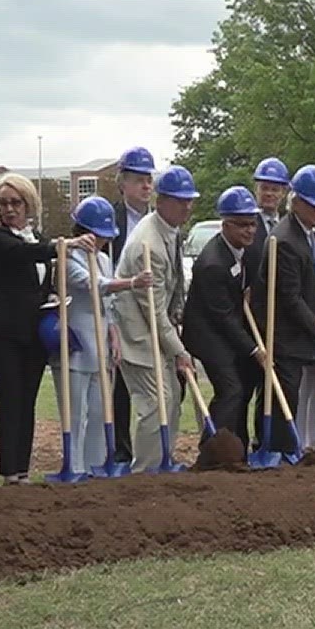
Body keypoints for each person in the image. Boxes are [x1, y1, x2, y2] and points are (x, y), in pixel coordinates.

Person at [0, 173, 82, 483]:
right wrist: (63, 245)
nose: (9, 209)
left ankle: (22, 470)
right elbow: (18, 253)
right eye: (3, 204)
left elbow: (38, 277)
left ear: (28, 204)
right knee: (10, 400)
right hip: (2, 334)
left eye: (15, 203)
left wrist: (51, 295)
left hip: (33, 334)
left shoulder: (35, 237)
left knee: (28, 400)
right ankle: (9, 470)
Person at [250, 164, 315, 454]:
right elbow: (289, 298)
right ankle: (277, 452)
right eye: (313, 206)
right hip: (283, 334)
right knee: (281, 397)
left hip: (301, 332)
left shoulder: (312, 234)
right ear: (296, 202)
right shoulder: (284, 240)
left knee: (291, 397)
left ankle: (283, 449)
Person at [111, 166, 194, 472]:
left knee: (171, 397)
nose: (186, 206)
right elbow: (153, 311)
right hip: (136, 332)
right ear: (161, 200)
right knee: (154, 402)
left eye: (189, 200)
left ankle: (164, 461)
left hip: (155, 326)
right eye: (179, 200)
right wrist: (180, 351)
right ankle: (145, 471)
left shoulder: (170, 230)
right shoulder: (150, 245)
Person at [63, 196, 153, 469]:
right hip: (77, 345)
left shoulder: (103, 258)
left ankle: (96, 464)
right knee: (76, 413)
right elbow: (94, 285)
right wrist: (132, 282)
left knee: (102, 409)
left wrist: (114, 331)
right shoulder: (67, 258)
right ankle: (75, 466)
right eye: (98, 235)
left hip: (101, 343)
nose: (102, 241)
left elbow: (108, 304)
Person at [184, 187, 264, 449]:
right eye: (243, 225)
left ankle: (236, 447)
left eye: (252, 224)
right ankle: (211, 449)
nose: (250, 230)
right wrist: (254, 349)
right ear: (226, 224)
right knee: (231, 389)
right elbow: (223, 318)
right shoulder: (213, 264)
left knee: (241, 387)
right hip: (207, 335)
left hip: (225, 330)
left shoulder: (240, 251)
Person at [107, 146, 158, 465]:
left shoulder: (158, 221)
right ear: (122, 183)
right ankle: (120, 451)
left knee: (154, 385)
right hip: (114, 309)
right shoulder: (109, 218)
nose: (146, 187)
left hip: (148, 310)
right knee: (119, 388)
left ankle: (148, 446)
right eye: (139, 180)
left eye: (149, 180)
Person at [245, 157, 293, 443]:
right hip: (251, 316)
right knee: (247, 383)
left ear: (284, 192)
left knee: (272, 387)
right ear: (256, 188)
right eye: (265, 188)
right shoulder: (247, 221)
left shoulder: (287, 226)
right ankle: (243, 442)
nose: (270, 194)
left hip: (278, 320)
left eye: (276, 189)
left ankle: (266, 440)